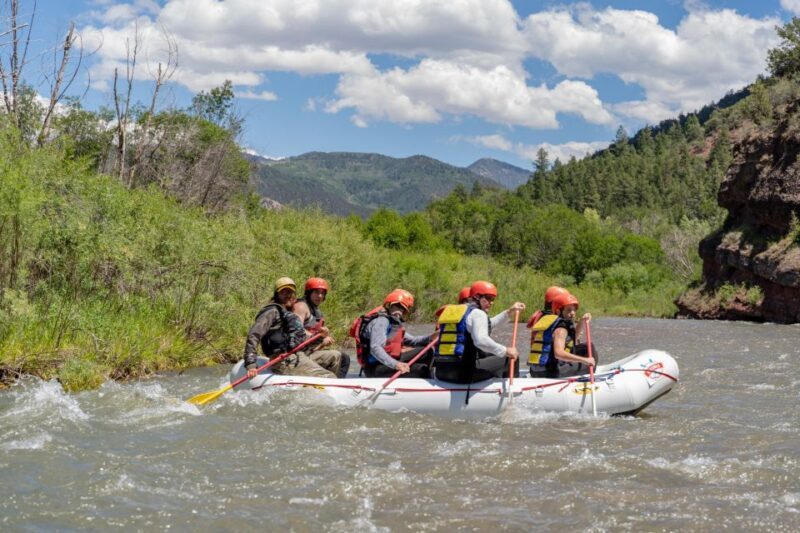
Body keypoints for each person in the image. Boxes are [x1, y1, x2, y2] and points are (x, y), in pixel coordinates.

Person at [243, 277, 340, 379]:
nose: (287, 295)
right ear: (277, 294)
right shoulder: (272, 311)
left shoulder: (288, 314)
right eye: (283, 292)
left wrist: (319, 336)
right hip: (283, 360)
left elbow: (300, 339)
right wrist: (251, 364)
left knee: (335, 356)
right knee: (329, 377)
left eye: (290, 292)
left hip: (297, 356)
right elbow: (254, 334)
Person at [433, 280, 525, 384]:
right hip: (462, 375)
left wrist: (509, 311)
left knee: (494, 355)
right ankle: (515, 388)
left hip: (441, 373)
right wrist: (505, 351)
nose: (491, 302)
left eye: (493, 299)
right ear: (477, 297)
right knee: (510, 358)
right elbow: (481, 341)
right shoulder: (477, 313)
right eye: (489, 298)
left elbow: (489, 323)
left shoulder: (459, 312)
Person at [354, 289, 436, 378]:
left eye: (402, 308)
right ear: (388, 305)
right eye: (396, 306)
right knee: (421, 370)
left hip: (389, 361)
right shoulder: (381, 321)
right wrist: (396, 364)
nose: (399, 310)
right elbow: (375, 348)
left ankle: (430, 376)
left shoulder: (392, 323)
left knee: (428, 352)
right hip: (375, 368)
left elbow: (413, 341)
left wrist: (432, 337)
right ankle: (424, 379)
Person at [528, 292, 598, 378]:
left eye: (574, 310)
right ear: (558, 311)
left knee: (588, 346)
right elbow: (559, 354)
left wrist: (582, 322)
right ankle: (591, 374)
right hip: (550, 372)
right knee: (589, 362)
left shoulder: (553, 323)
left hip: (537, 370)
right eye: (568, 310)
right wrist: (585, 360)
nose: (572, 313)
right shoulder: (560, 329)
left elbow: (572, 339)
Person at [293, 277, 350, 378]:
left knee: (343, 358)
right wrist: (318, 336)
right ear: (308, 293)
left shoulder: (317, 312)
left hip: (308, 352)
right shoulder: (301, 307)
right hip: (297, 355)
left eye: (322, 293)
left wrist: (323, 341)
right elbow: (296, 331)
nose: (320, 296)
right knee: (337, 356)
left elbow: (314, 341)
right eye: (316, 292)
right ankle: (331, 382)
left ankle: (333, 384)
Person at [526, 285, 569, 373]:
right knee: (588, 347)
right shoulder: (557, 322)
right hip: (551, 368)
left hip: (534, 368)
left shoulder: (541, 317)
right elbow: (560, 351)